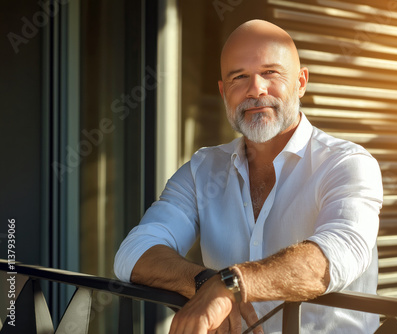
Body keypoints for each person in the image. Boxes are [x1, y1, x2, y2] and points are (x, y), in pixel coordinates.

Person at [114, 19, 383, 334]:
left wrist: (234, 283)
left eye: (270, 72)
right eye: (238, 77)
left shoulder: (346, 163)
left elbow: (340, 253)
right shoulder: (203, 169)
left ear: (301, 82)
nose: (256, 89)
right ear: (223, 91)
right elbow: (134, 252)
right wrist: (207, 284)